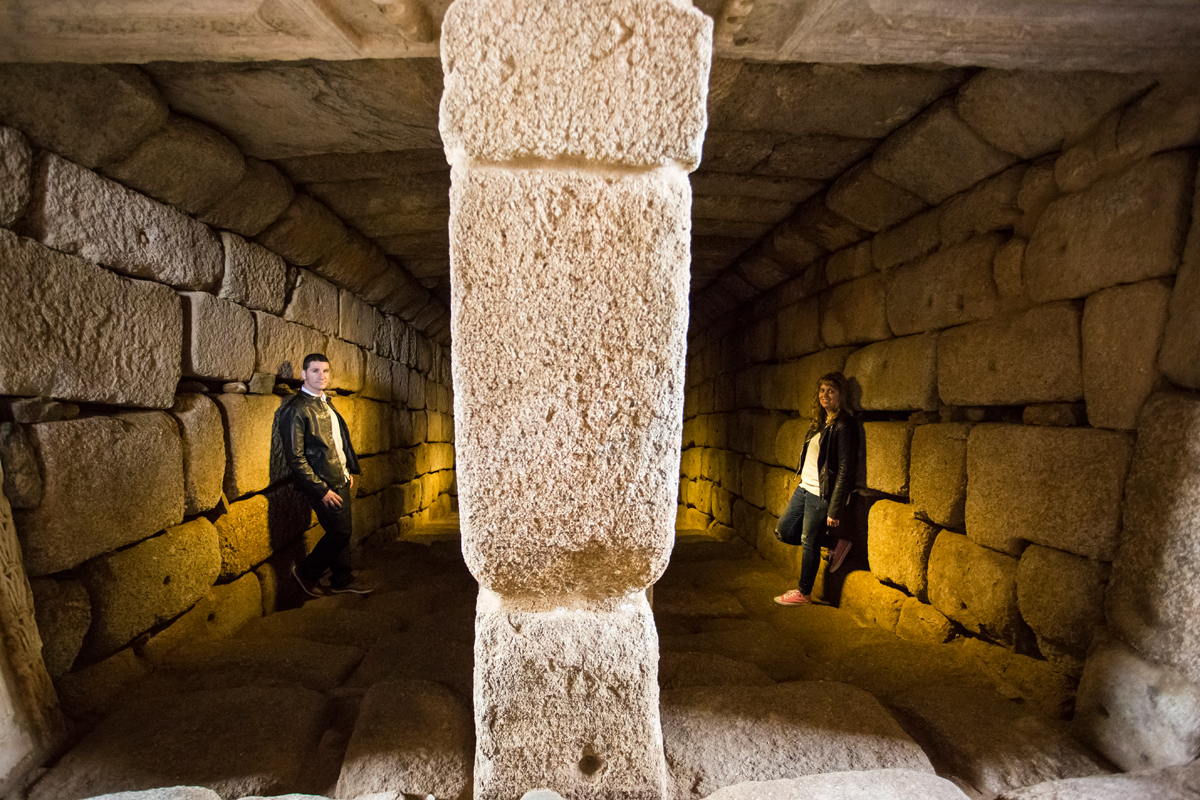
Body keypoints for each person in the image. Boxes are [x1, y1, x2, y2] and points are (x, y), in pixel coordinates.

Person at [281, 353, 372, 596]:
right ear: (303, 375)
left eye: (325, 371)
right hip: (323, 484)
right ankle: (306, 572)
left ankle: (342, 578)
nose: (321, 376)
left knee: (341, 531)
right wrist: (321, 489)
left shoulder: (325, 403)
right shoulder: (296, 410)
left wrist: (346, 469)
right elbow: (296, 458)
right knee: (340, 532)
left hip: (339, 478)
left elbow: (336, 442)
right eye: (315, 371)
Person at [773, 371, 859, 607]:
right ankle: (834, 543)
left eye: (831, 391)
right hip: (804, 488)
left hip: (821, 494)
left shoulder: (844, 425)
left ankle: (804, 593)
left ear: (841, 395)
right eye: (822, 390)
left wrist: (835, 509)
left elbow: (845, 469)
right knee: (785, 530)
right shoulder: (820, 424)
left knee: (808, 540)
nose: (825, 395)